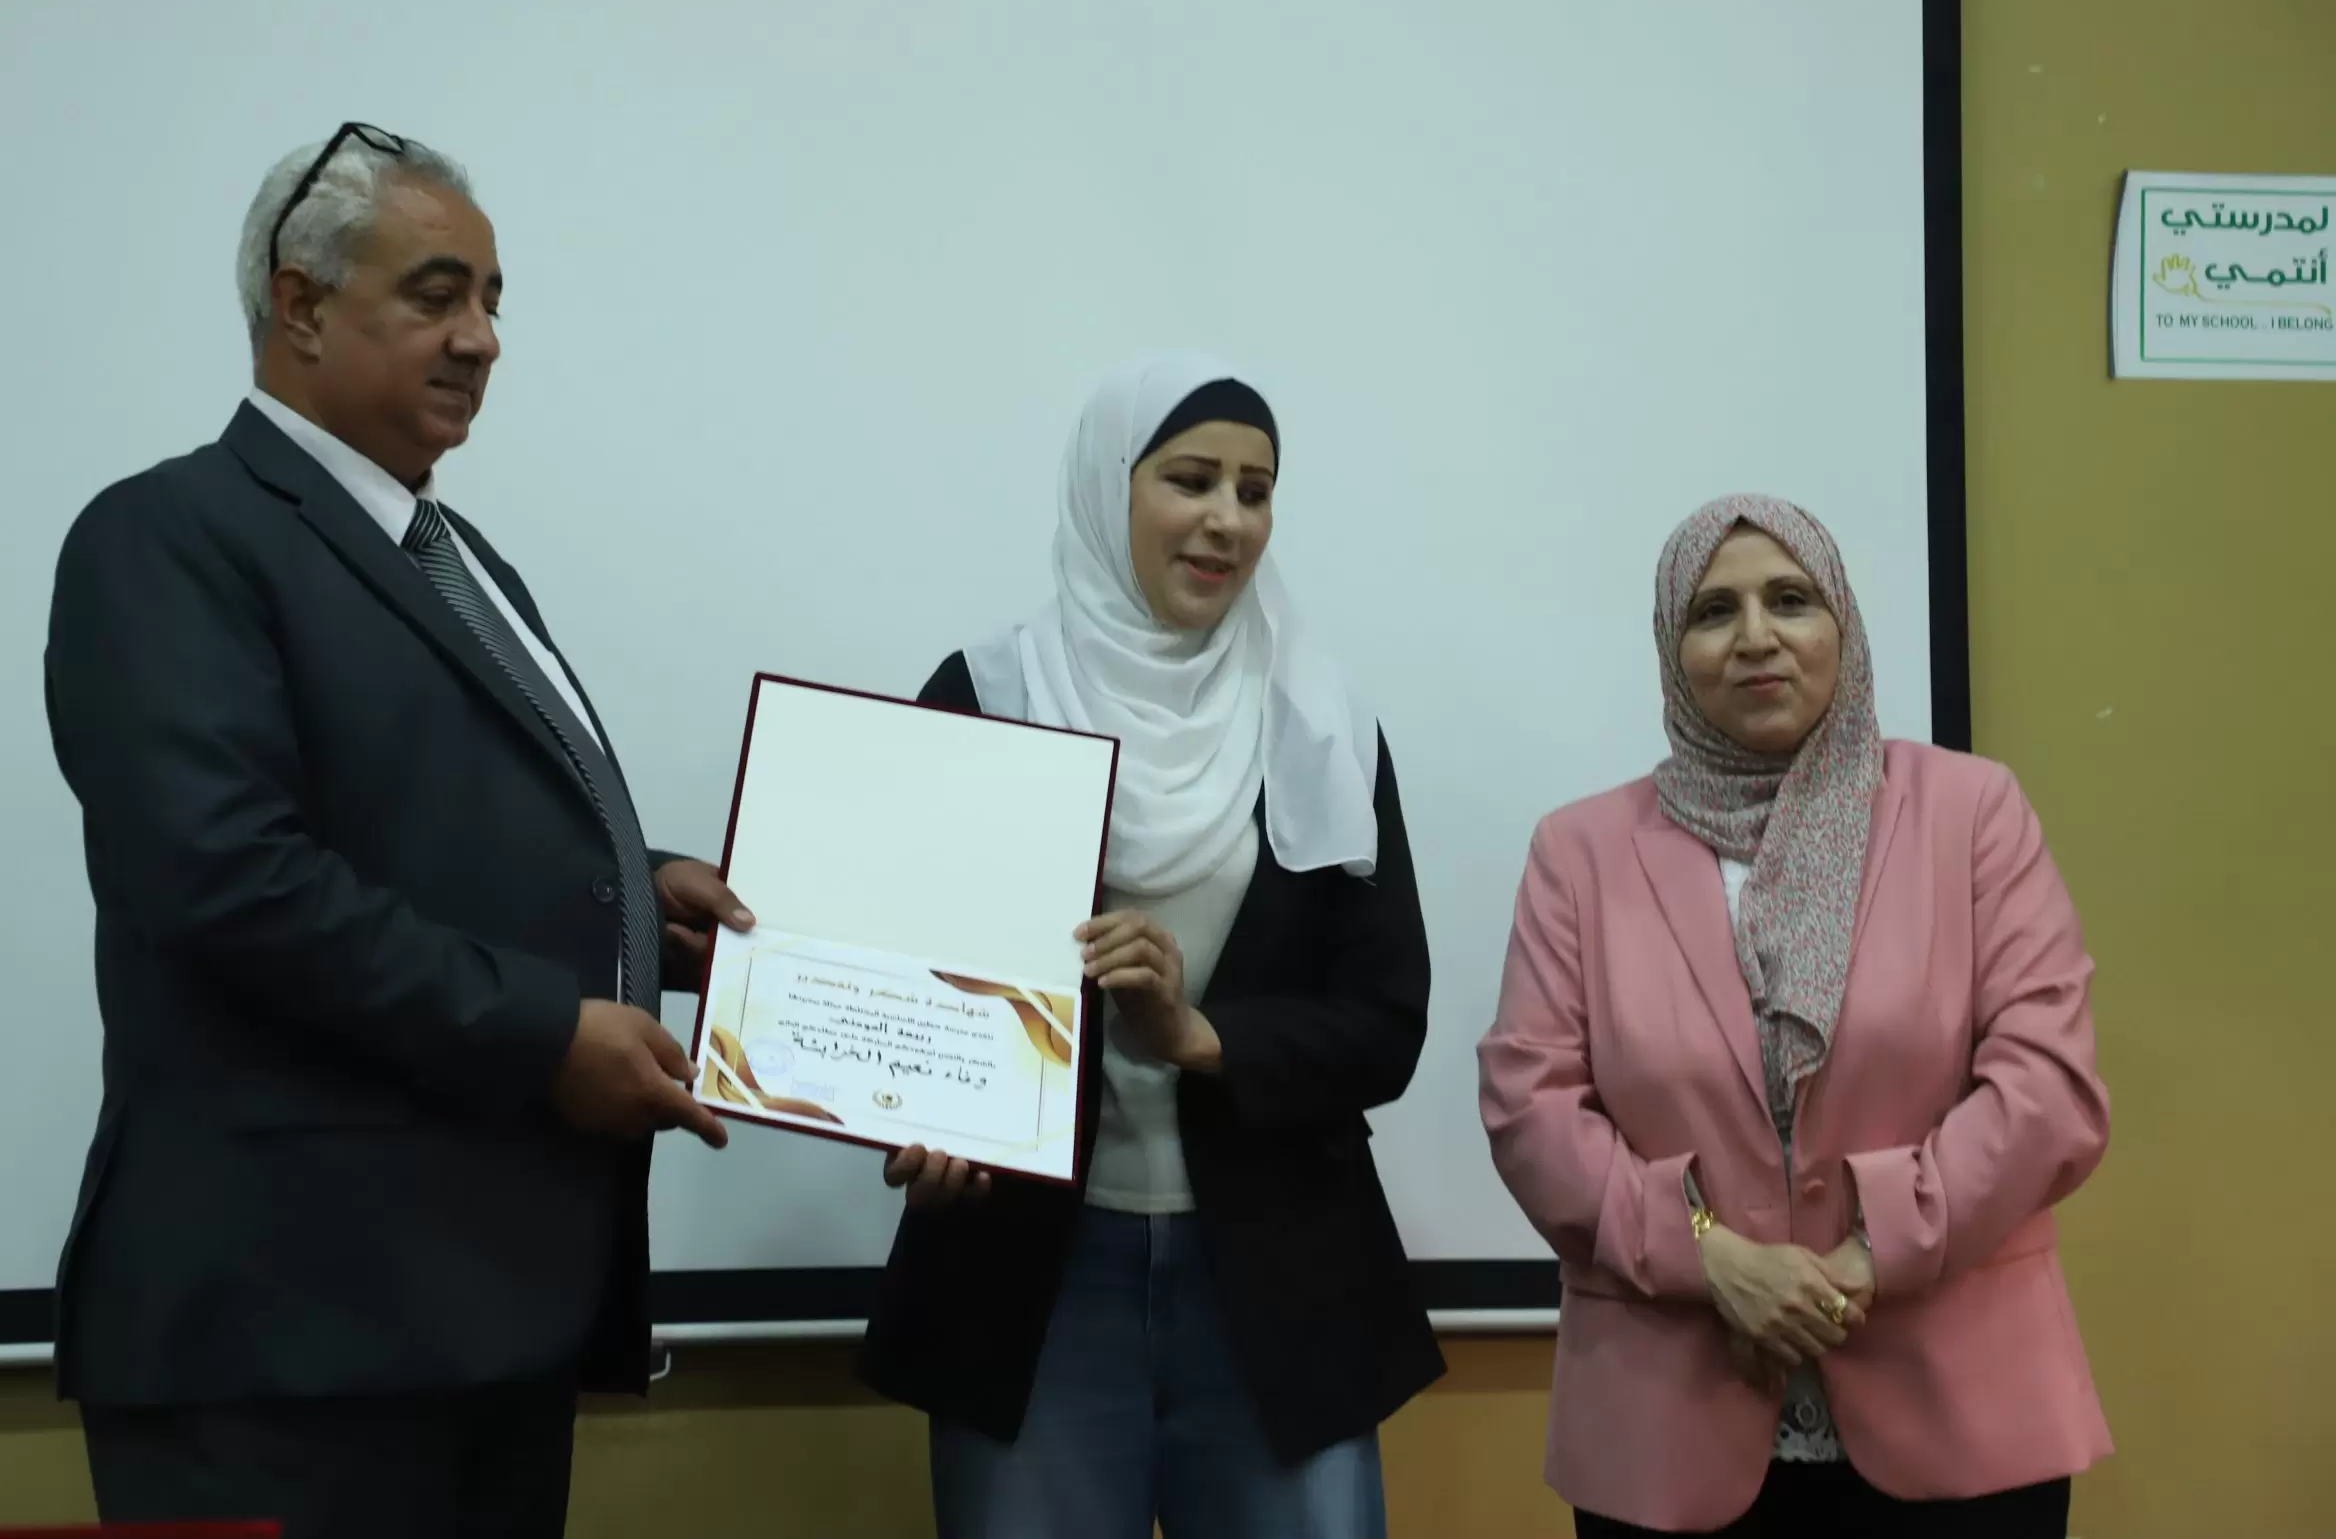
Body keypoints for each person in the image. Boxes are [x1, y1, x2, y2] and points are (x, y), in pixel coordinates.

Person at [41, 121, 751, 1539]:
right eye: (437, 295)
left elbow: (431, 824)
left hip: (482, 1323)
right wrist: (545, 1032)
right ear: (299, 303)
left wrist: (635, 895)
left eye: (492, 301)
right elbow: (229, 881)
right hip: (288, 1342)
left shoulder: (457, 558)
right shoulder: (169, 534)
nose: (481, 338)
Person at [855, 354, 1445, 1539]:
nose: (1227, 518)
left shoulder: (1323, 722)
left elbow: (1385, 1021)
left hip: (1280, 1283)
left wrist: (1200, 1036)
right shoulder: (989, 693)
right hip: (1028, 1285)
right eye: (1190, 479)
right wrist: (914, 1109)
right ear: (1106, 487)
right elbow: (898, 982)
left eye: (1255, 491)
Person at [1477, 495, 2112, 1537]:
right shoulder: (1579, 852)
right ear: (1671, 646)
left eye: (1790, 599)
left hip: (1962, 1420)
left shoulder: (1970, 814)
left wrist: (1871, 1253)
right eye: (1712, 611)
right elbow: (1529, 1108)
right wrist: (1704, 1251)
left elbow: (2048, 1089)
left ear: (1842, 624)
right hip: (1668, 1428)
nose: (1755, 637)